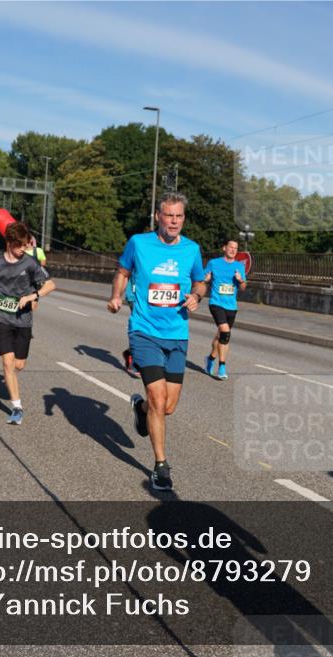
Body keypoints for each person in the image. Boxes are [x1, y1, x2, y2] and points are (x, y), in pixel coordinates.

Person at [107, 193, 206, 491]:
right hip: (144, 330)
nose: (173, 221)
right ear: (158, 217)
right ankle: (160, 466)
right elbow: (123, 272)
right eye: (168, 215)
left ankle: (140, 411)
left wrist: (196, 296)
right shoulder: (139, 243)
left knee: (168, 407)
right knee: (158, 399)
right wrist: (116, 295)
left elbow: (200, 280)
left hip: (177, 333)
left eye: (178, 216)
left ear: (183, 219)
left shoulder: (192, 249)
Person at [0, 222, 55, 425]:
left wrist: (32, 297)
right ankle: (17, 407)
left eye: (26, 245)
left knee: (19, 364)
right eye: (20, 245)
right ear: (9, 243)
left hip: (23, 319)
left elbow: (51, 285)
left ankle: (10, 378)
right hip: (1, 317)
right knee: (7, 363)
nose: (23, 248)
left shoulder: (29, 263)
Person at [203, 239, 247, 380]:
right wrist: (206, 279)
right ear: (224, 248)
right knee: (226, 334)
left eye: (236, 248)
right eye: (231, 247)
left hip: (231, 306)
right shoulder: (214, 263)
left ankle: (210, 359)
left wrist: (240, 280)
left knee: (221, 336)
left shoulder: (239, 266)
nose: (233, 250)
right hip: (216, 303)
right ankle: (222, 367)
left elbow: (243, 288)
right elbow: (202, 279)